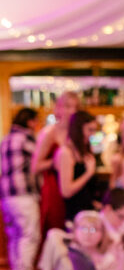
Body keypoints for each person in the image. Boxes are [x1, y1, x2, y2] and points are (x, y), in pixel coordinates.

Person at [0, 107, 41, 270]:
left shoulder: (5, 140)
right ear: (30, 121)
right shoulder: (26, 138)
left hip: (6, 196)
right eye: (36, 121)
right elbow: (40, 160)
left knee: (15, 236)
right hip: (23, 194)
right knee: (29, 236)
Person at [31, 90, 79, 235]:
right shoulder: (49, 133)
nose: (72, 111)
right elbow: (35, 166)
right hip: (54, 189)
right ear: (58, 108)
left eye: (75, 107)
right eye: (68, 106)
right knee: (56, 230)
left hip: (72, 188)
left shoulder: (75, 133)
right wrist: (55, 162)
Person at [56, 110, 99, 223]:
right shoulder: (66, 152)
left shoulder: (85, 151)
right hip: (74, 214)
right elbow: (66, 191)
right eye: (90, 130)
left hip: (87, 211)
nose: (93, 134)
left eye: (94, 130)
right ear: (78, 129)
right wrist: (88, 173)